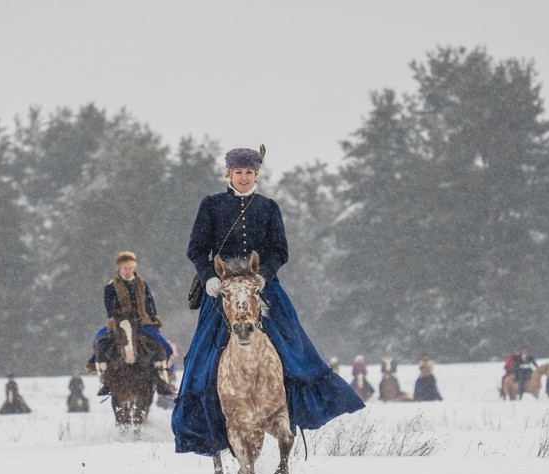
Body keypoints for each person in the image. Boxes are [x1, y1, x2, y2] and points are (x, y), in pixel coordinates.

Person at [172, 146, 365, 456]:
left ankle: (287, 408)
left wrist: (264, 276)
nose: (244, 177)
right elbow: (196, 249)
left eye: (249, 172)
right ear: (229, 173)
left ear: (256, 174)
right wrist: (209, 276)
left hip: (263, 287)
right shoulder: (211, 206)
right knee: (201, 358)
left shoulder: (269, 207)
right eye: (239, 172)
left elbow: (280, 250)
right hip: (223, 291)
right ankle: (207, 420)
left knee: (293, 344)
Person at [89, 251, 175, 396]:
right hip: (119, 323)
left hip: (143, 322)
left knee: (161, 344)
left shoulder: (142, 284)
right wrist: (122, 314)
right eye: (125, 268)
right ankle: (104, 377)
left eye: (130, 268)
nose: (128, 271)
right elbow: (110, 309)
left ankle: (163, 379)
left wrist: (152, 318)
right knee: (99, 340)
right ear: (119, 269)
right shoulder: (110, 287)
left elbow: (150, 304)